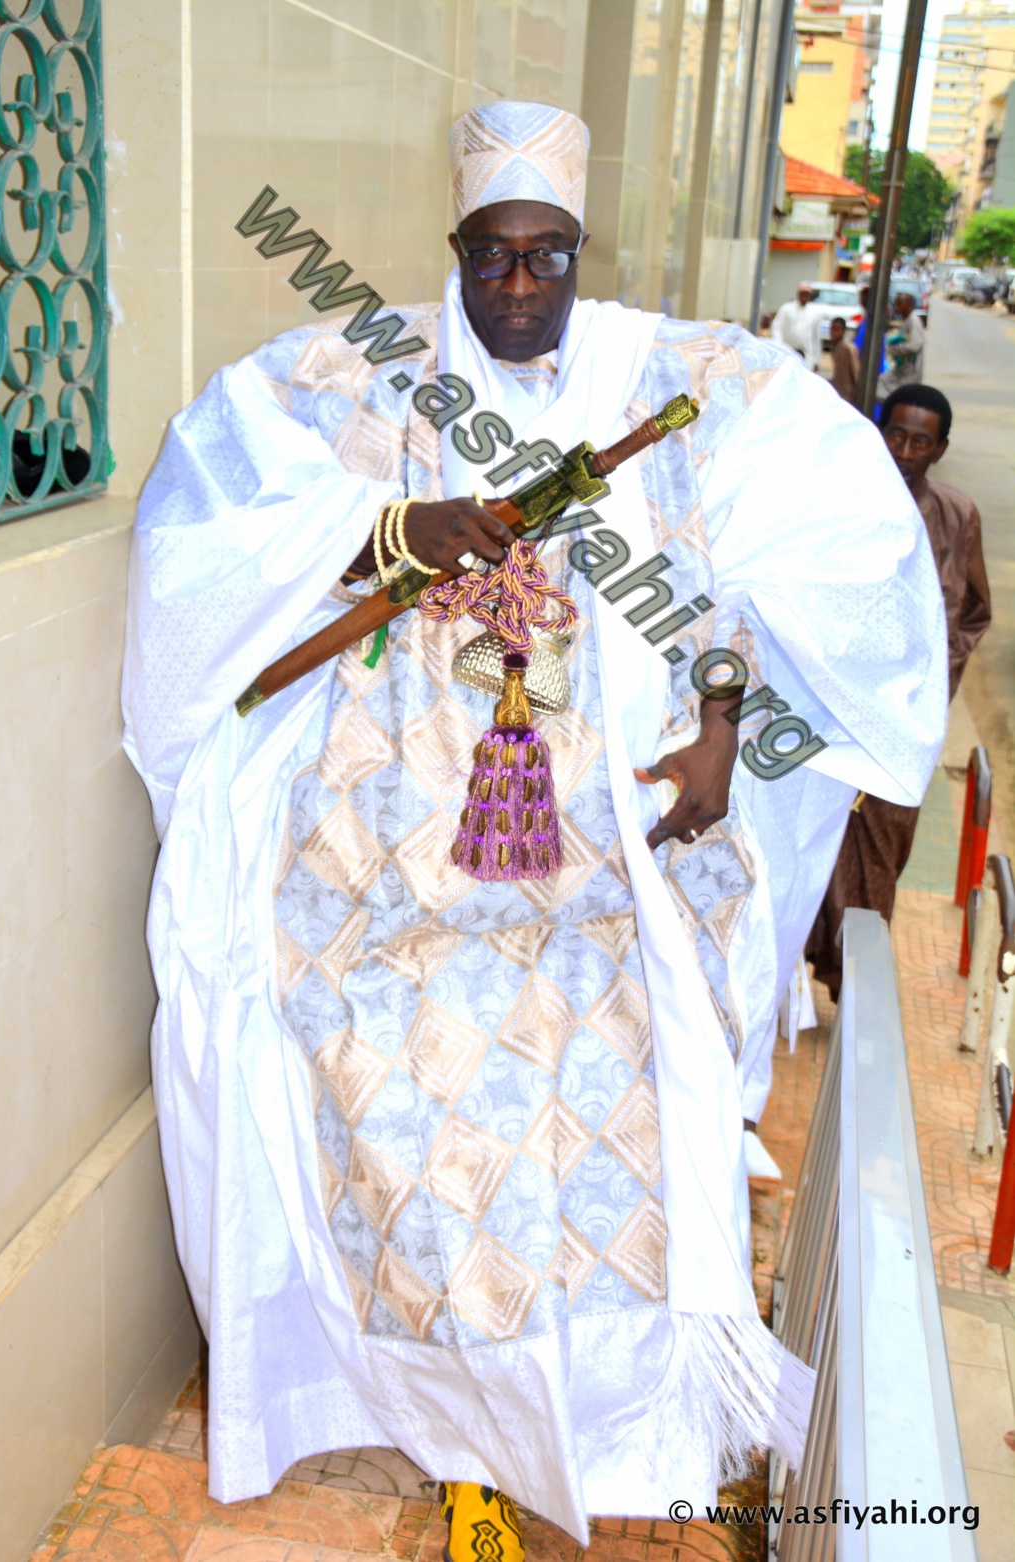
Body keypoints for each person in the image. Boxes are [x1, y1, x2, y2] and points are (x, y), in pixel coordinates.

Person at [122, 102, 946, 1554]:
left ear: (579, 251)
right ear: (454, 252)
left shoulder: (679, 376)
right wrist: (391, 532)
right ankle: (449, 1428)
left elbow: (774, 558)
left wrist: (714, 723)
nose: (518, 286)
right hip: (382, 857)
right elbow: (209, 510)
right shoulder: (353, 377)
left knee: (607, 1128)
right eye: (493, 257)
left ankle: (604, 1428)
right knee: (389, 1107)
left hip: (605, 855)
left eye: (545, 255)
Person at [807, 384, 990, 999]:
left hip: (905, 723)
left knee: (882, 850)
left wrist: (936, 682)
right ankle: (795, 965)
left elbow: (972, 614)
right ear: (877, 431)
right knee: (814, 838)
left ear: (940, 449)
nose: (906, 450)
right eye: (897, 434)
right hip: (831, 708)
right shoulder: (840, 501)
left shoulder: (958, 516)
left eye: (921, 441)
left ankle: (853, 985)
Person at [877, 289, 925, 400]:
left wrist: (894, 349)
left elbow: (915, 345)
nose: (897, 306)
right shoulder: (905, 320)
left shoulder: (914, 320)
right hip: (902, 368)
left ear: (909, 305)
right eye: (896, 303)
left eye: (900, 303)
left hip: (910, 370)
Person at [769, 282, 822, 366]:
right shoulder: (786, 309)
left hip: (806, 355)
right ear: (798, 294)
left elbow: (816, 337)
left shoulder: (814, 313)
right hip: (787, 352)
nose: (804, 297)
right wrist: (779, 346)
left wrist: (816, 359)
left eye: (807, 294)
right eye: (803, 294)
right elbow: (776, 328)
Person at [826, 316, 860, 406]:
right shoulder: (835, 347)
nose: (833, 333)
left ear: (843, 331)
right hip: (837, 391)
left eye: (837, 329)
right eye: (832, 329)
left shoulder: (848, 348)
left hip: (847, 394)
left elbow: (856, 372)